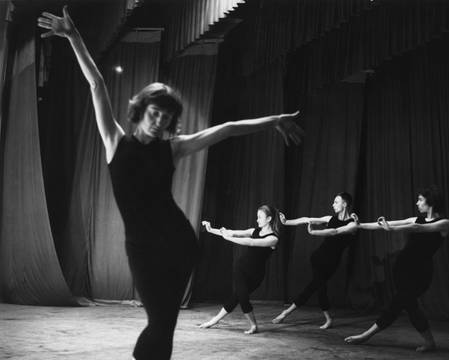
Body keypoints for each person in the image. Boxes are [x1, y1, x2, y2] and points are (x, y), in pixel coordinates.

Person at [37, 7, 303, 360]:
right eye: (154, 112)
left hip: (178, 243)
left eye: (166, 116)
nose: (159, 120)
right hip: (142, 248)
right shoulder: (115, 142)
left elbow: (223, 131)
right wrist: (73, 36)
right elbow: (97, 84)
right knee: (161, 321)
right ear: (142, 110)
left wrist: (273, 120)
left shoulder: (172, 149)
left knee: (164, 322)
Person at [344, 186, 449, 352]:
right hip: (402, 270)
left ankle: (366, 335)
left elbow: (419, 228)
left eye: (420, 200)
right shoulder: (415, 218)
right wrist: (358, 225)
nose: (417, 203)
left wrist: (391, 229)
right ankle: (430, 342)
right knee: (409, 305)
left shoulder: (444, 223)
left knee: (398, 303)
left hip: (420, 273)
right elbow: (382, 224)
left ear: (431, 202)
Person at [272, 193, 358, 329]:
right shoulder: (330, 218)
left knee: (313, 287)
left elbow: (334, 231)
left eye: (336, 202)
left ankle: (286, 313)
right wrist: (287, 222)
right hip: (318, 258)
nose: (333, 204)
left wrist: (314, 233)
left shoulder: (352, 225)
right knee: (319, 287)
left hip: (331, 263)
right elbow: (308, 219)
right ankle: (327, 318)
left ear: (345, 204)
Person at [199, 205, 281, 334]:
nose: (257, 219)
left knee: (237, 297)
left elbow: (251, 242)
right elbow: (232, 232)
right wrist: (211, 230)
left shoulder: (273, 239)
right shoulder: (254, 230)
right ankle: (253, 326)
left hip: (256, 276)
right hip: (241, 269)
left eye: (260, 217)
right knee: (242, 296)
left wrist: (228, 238)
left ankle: (214, 321)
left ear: (269, 219)